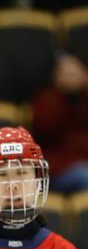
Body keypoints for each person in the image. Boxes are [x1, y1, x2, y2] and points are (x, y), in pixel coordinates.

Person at [31, 52, 88, 193]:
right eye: (67, 73)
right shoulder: (46, 100)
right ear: (56, 76)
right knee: (84, 175)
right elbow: (45, 128)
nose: (72, 78)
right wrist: (66, 97)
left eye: (75, 72)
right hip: (59, 170)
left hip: (83, 162)